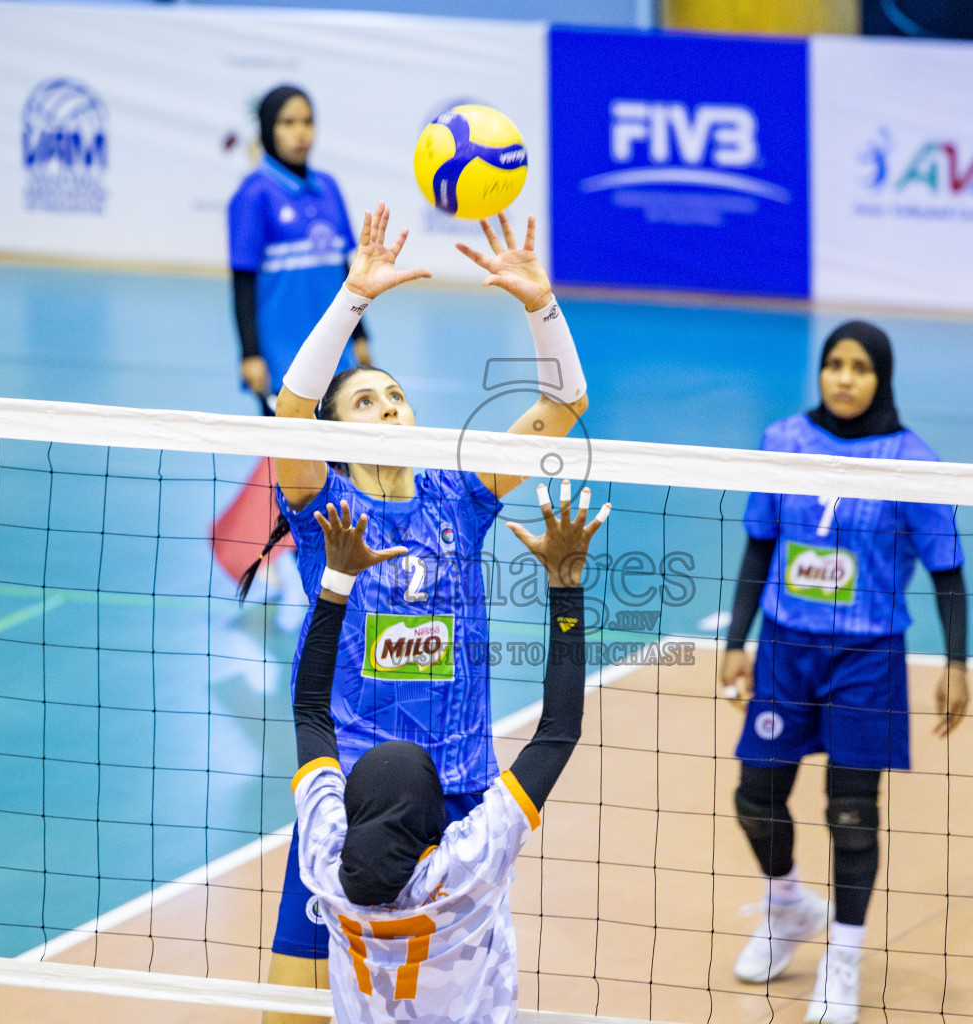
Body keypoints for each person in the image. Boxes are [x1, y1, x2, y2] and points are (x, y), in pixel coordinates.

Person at [242, 203, 589, 1022]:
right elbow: (288, 415)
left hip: (462, 800)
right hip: (349, 807)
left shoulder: (460, 496)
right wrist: (351, 300)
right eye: (367, 401)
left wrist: (541, 305)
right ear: (337, 434)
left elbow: (564, 405)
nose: (391, 406)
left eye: (396, 395)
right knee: (287, 1010)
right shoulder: (320, 505)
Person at [720, 320, 970, 1023]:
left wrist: (956, 662)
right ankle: (788, 905)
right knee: (755, 795)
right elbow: (758, 547)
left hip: (868, 656)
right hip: (785, 648)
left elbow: (948, 570)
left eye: (860, 366)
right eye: (834, 364)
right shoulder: (782, 441)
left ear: (881, 377)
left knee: (853, 815)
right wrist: (738, 639)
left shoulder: (913, 460)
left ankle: (845, 959)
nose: (845, 378)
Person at [286, 485, 605, 1024]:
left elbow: (311, 709)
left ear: (353, 812)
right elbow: (561, 728)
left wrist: (336, 579)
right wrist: (565, 583)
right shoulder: (466, 862)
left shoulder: (327, 865)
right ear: (436, 822)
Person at [229, 85, 368, 411]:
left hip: (338, 354)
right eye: (288, 122)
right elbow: (242, 284)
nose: (300, 132)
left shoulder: (329, 188)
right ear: (267, 128)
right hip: (281, 361)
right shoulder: (253, 195)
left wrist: (360, 336)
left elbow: (345, 273)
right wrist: (250, 354)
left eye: (307, 121)